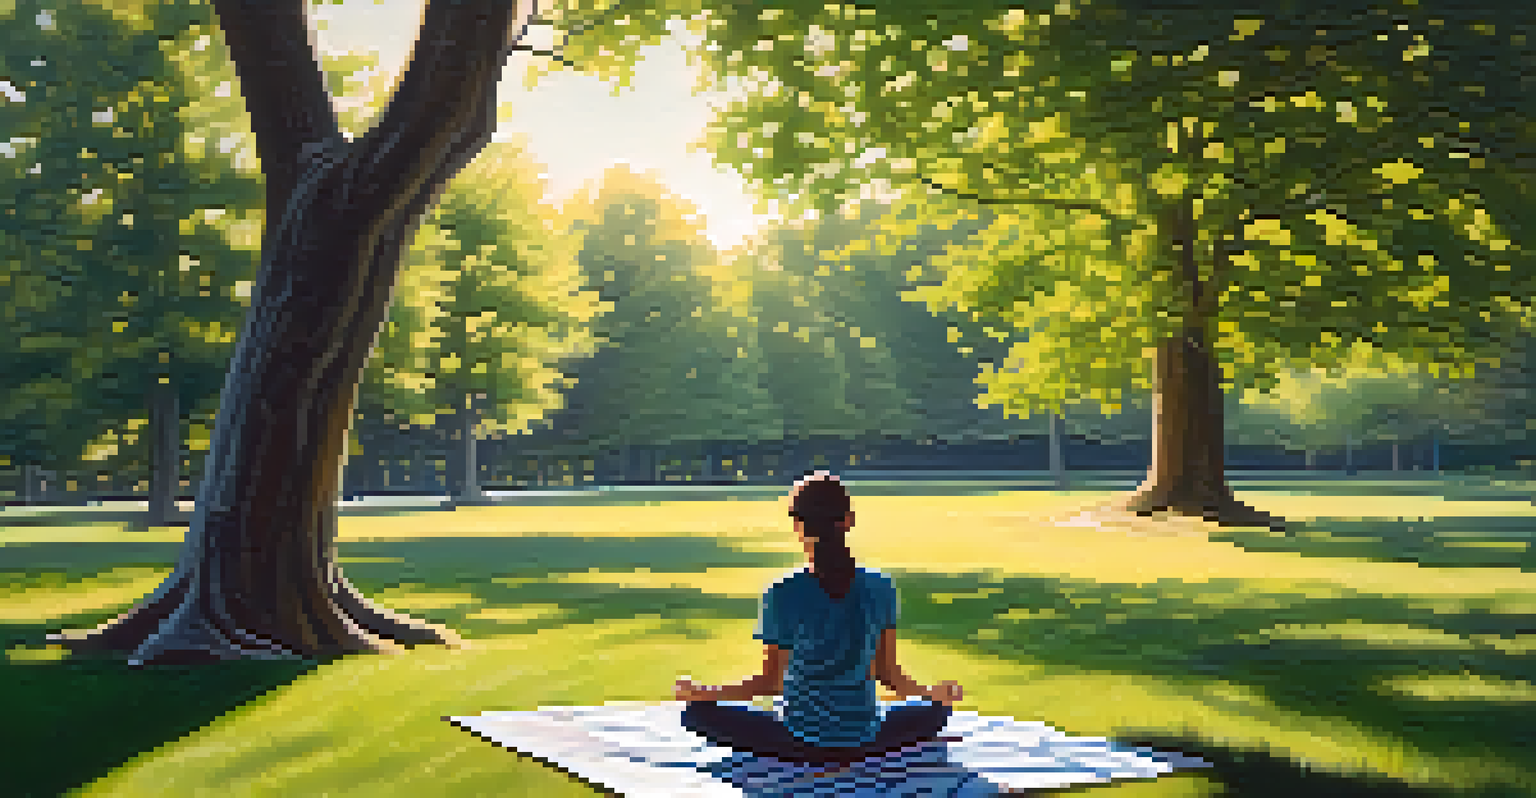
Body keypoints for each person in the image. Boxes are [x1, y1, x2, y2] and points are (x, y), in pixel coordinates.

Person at [675, 470, 964, 765]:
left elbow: (771, 682)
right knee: (936, 712)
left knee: (696, 713)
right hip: (866, 738)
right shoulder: (881, 586)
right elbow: (888, 674)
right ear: (848, 520)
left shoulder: (782, 592)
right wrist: (932, 695)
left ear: (798, 527)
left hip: (798, 741)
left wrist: (704, 693)